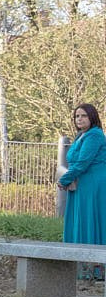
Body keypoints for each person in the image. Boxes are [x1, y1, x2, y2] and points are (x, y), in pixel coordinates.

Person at [60, 105, 106, 262]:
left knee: (88, 219)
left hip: (92, 184)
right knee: (79, 218)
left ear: (92, 117)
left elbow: (83, 162)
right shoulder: (81, 135)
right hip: (81, 182)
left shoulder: (95, 135)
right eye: (77, 116)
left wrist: (64, 179)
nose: (79, 119)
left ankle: (92, 266)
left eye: (83, 116)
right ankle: (77, 261)